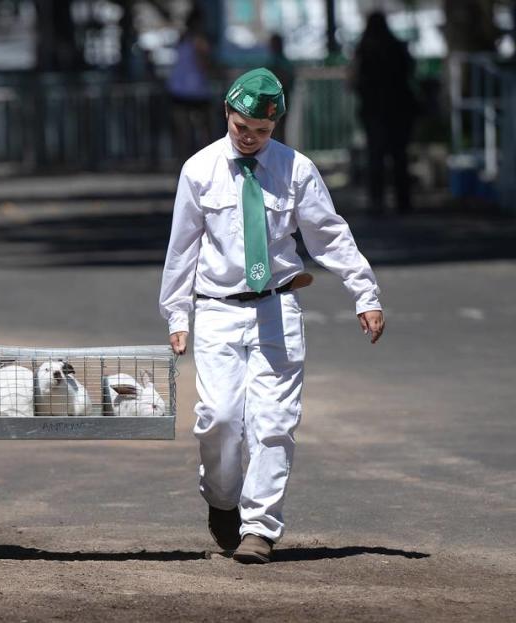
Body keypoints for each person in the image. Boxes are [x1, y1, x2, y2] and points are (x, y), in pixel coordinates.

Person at [158, 68, 384, 564]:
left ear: (274, 127)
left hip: (277, 305)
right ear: (227, 114)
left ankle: (259, 526)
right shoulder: (199, 170)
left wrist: (364, 293)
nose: (250, 139)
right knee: (219, 420)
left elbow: (329, 235)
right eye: (242, 128)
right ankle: (222, 499)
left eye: (261, 132)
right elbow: (182, 249)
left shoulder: (295, 169)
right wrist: (177, 316)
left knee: (274, 421)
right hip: (218, 308)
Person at [351, 11, 417, 214]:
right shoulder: (396, 46)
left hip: (374, 110)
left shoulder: (364, 49)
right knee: (399, 156)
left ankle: (377, 200)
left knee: (376, 157)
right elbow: (409, 71)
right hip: (399, 109)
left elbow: (356, 80)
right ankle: (403, 200)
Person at [167, 5, 216, 160]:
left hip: (178, 90)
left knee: (183, 134)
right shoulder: (200, 40)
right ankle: (206, 164)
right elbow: (205, 66)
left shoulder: (182, 38)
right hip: (197, 91)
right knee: (206, 132)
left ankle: (183, 165)